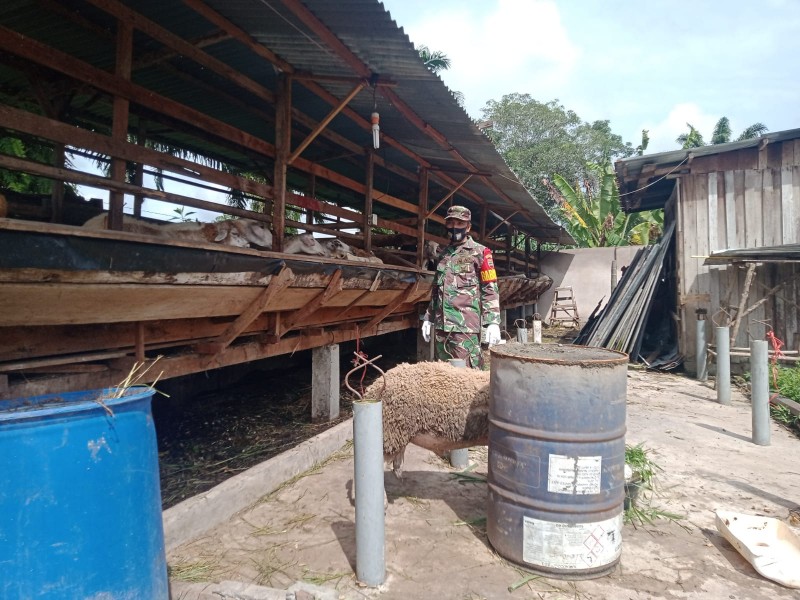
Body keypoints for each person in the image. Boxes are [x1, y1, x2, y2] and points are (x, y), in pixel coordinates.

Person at [421, 205, 502, 369]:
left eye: (459, 223)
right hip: (442, 328)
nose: (454, 227)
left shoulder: (480, 253)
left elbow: (490, 289)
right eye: (450, 223)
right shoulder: (444, 254)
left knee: (468, 375)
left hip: (465, 329)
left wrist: (492, 322)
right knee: (444, 375)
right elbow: (436, 291)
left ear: (468, 226)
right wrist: (428, 318)